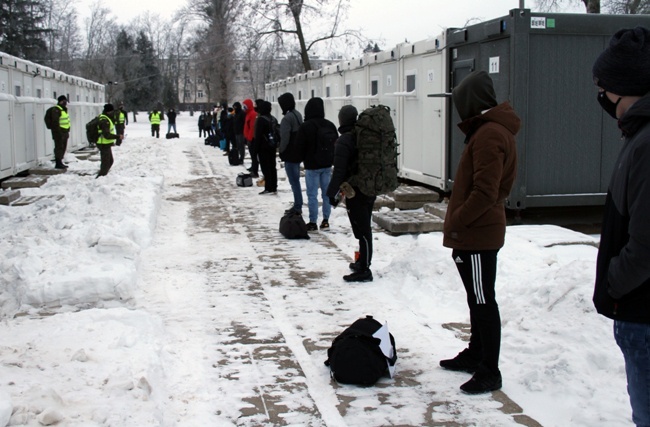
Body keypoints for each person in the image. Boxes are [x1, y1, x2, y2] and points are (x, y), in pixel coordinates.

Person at [438, 70, 520, 394]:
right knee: (478, 299)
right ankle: (476, 354)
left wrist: (459, 219)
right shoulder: (489, 131)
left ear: (471, 102)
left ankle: (489, 370)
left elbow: (486, 192)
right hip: (477, 232)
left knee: (484, 302)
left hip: (478, 234)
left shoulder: (489, 134)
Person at [592, 26, 650, 427]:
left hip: (643, 310)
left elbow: (646, 243)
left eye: (606, 88)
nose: (602, 98)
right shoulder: (637, 136)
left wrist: (614, 282)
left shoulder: (647, 143)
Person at [326, 105, 375, 282]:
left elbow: (339, 171)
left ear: (341, 120)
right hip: (368, 187)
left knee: (362, 230)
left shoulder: (345, 140)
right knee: (363, 227)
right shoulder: (361, 136)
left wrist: (331, 193)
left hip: (356, 191)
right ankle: (362, 261)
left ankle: (365, 269)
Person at [296, 97, 337, 231]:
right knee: (326, 194)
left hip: (312, 166)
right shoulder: (330, 125)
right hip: (327, 165)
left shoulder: (306, 126)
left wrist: (301, 159)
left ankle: (312, 222)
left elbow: (300, 146)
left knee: (312, 194)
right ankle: (326, 220)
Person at [278, 92, 304, 214]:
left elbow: (284, 137)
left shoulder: (287, 118)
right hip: (298, 152)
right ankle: (298, 203)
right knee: (296, 179)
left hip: (290, 154)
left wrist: (281, 151)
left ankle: (298, 205)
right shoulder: (298, 115)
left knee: (294, 181)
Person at [255, 100, 278, 195]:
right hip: (272, 145)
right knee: (272, 166)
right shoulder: (273, 119)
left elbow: (258, 135)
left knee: (265, 167)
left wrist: (255, 149)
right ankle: (274, 185)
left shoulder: (261, 119)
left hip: (263, 147)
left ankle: (268, 186)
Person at [96, 104, 122, 178]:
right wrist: (118, 136)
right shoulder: (104, 120)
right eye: (112, 111)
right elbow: (106, 135)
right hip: (103, 144)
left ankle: (103, 176)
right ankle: (100, 178)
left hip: (106, 144)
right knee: (106, 163)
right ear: (108, 111)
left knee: (110, 161)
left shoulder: (106, 118)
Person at [49, 95, 70, 169]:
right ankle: (58, 163)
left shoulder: (63, 109)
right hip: (59, 132)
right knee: (59, 147)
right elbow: (55, 122)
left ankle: (60, 161)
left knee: (63, 147)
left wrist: (68, 130)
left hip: (64, 132)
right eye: (64, 101)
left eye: (66, 101)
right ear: (60, 101)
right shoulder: (56, 110)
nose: (65, 102)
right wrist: (58, 132)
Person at [243, 98, 259, 178]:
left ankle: (255, 171)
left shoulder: (252, 114)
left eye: (245, 106)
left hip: (251, 138)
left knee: (254, 155)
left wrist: (249, 138)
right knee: (252, 155)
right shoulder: (248, 114)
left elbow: (252, 127)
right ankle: (253, 168)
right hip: (248, 137)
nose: (244, 108)